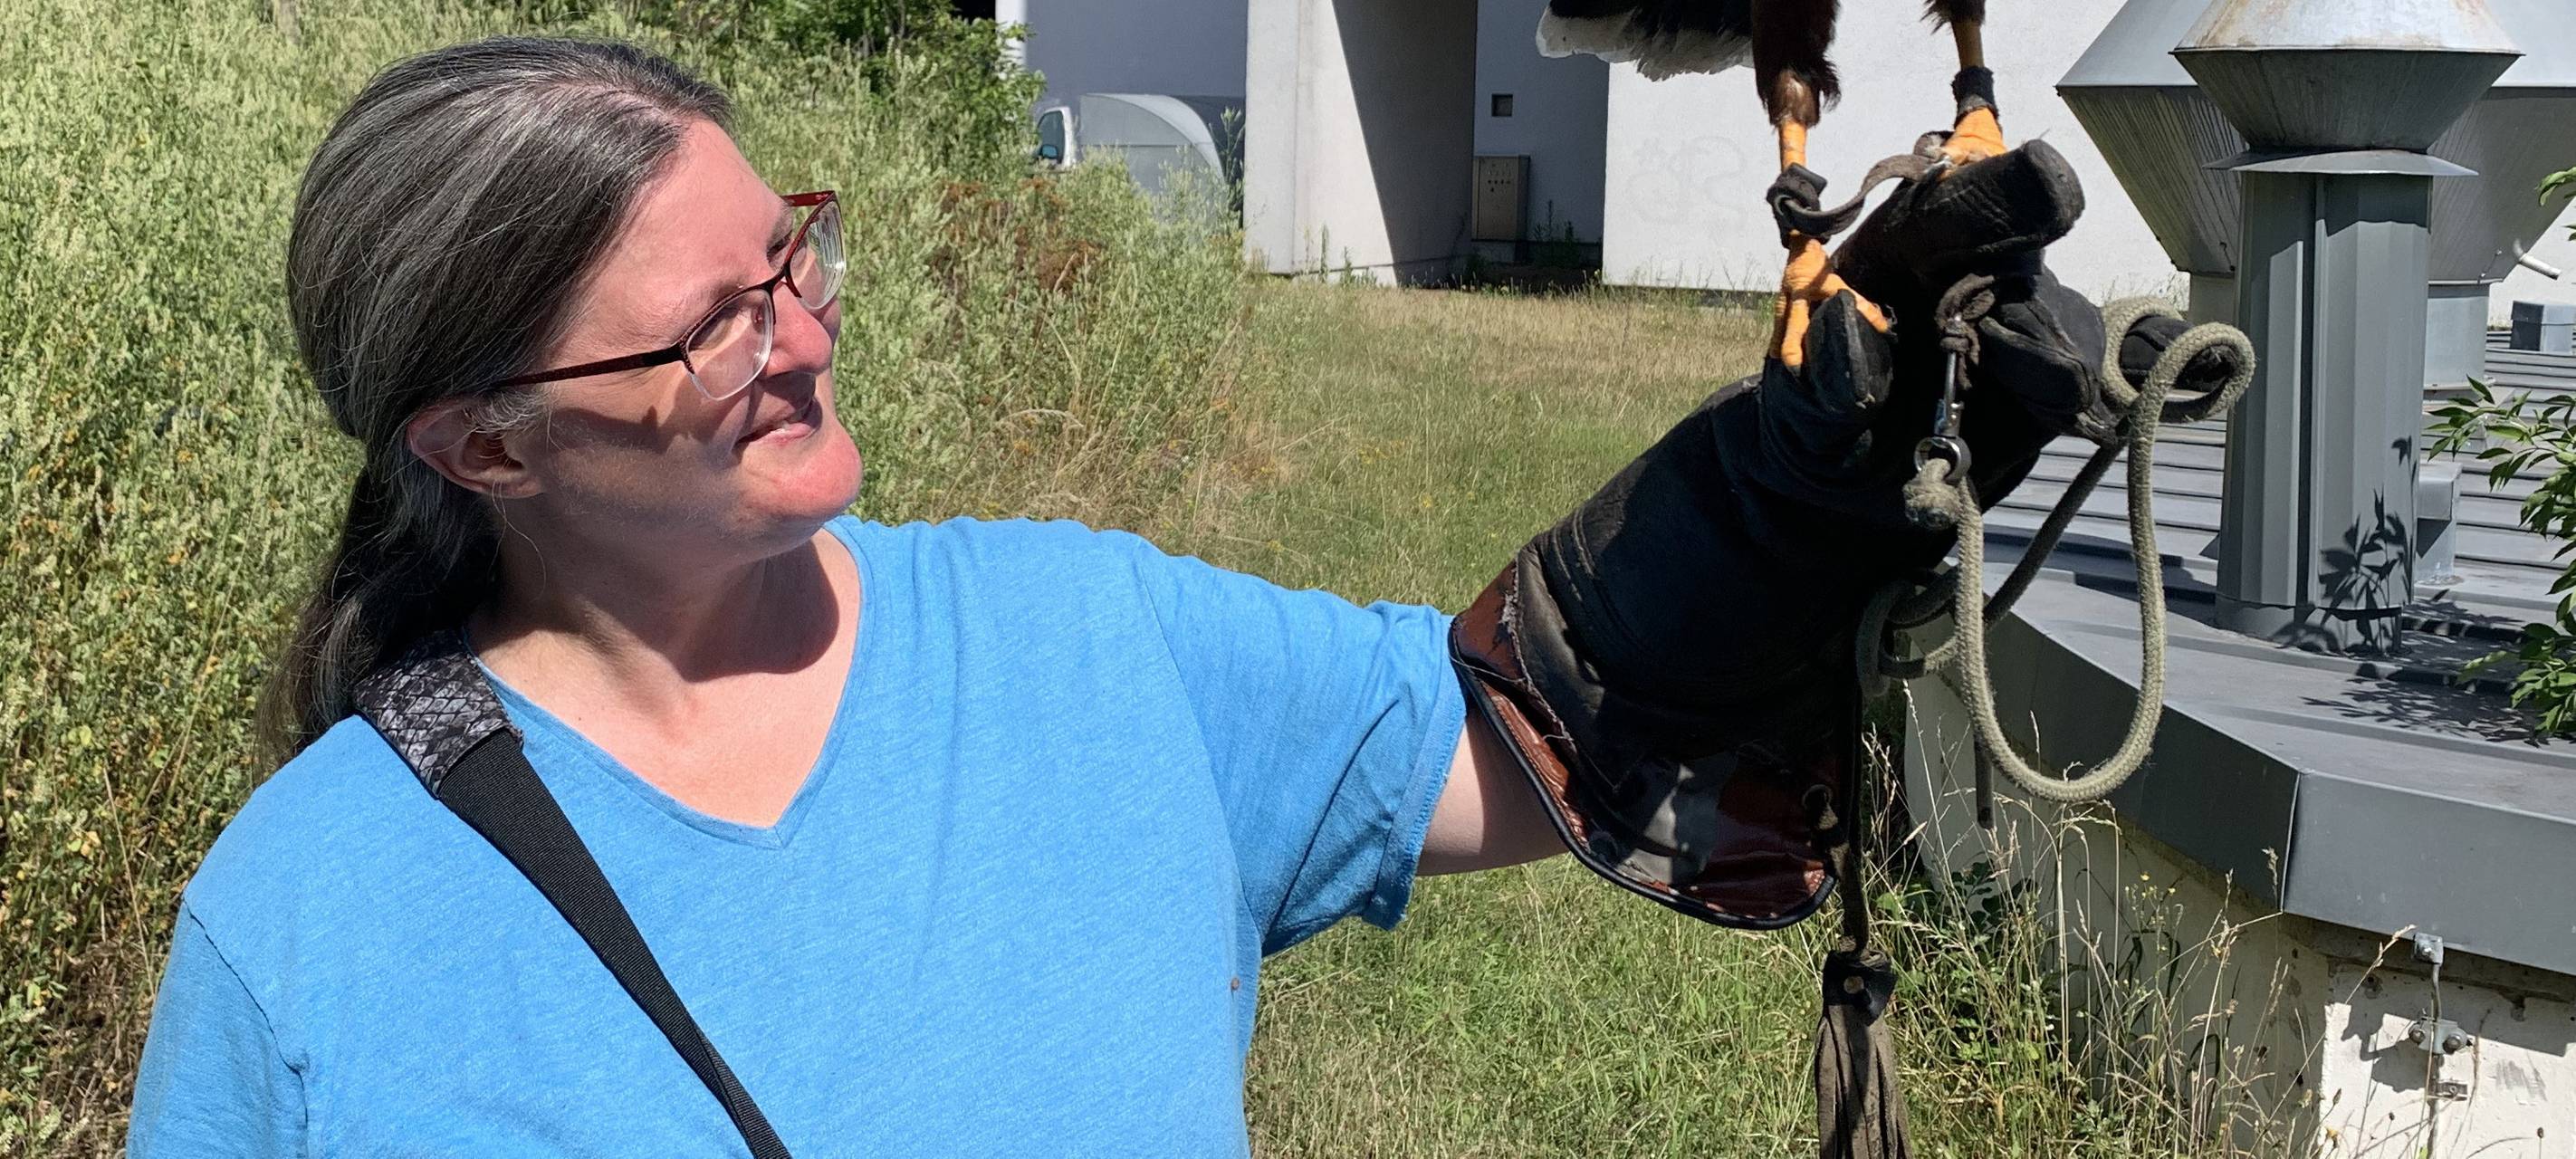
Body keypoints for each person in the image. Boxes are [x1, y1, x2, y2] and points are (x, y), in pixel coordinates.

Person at [128, 34, 2175, 1157]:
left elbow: (1514, 731)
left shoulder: (1079, 646)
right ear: (484, 447)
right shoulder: (311, 925)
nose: (807, 333)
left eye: (794, 256)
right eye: (715, 328)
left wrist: (1777, 498)